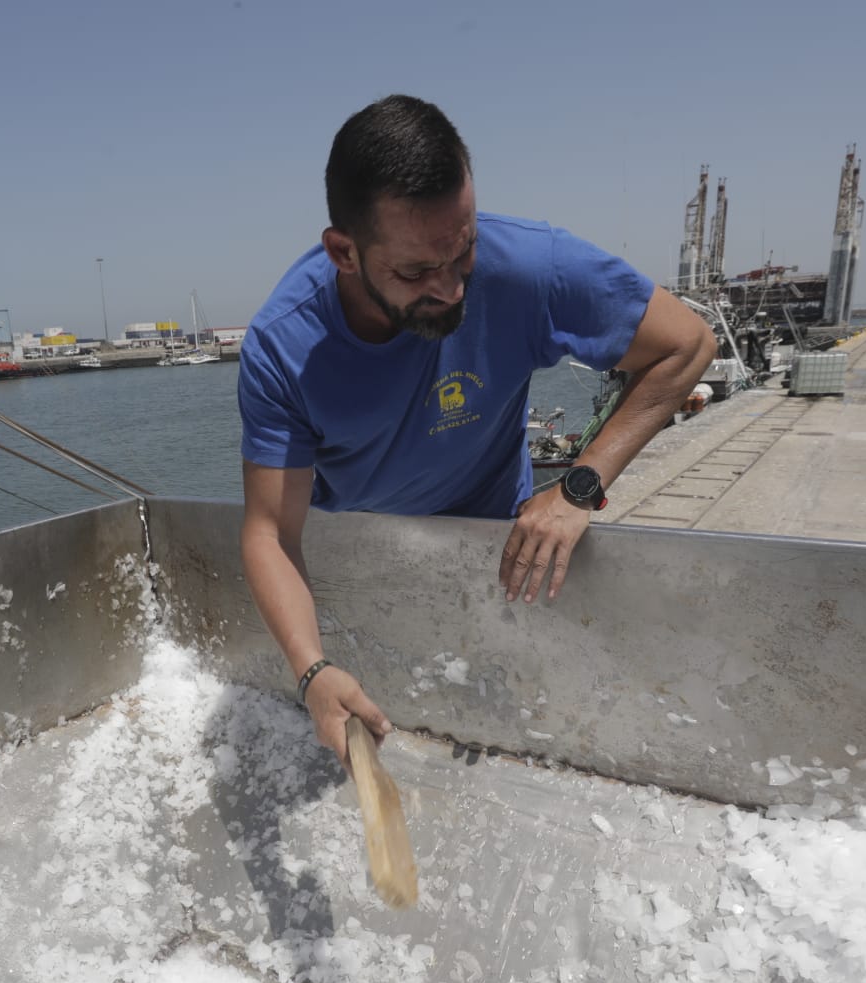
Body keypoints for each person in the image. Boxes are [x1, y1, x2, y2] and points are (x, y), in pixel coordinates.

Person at [238, 94, 715, 761]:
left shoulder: (526, 266)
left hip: (499, 547)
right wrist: (311, 670)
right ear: (344, 253)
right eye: (416, 271)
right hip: (360, 556)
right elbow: (271, 532)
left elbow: (687, 346)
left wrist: (580, 487)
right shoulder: (283, 346)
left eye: (461, 253)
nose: (453, 289)